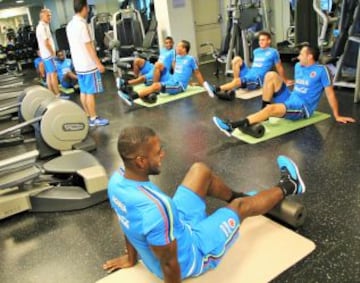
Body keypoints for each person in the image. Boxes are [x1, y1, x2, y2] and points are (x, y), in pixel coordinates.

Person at [103, 126, 305, 282]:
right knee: (241, 207)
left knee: (200, 170)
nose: (163, 154)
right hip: (192, 255)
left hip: (178, 226)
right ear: (140, 161)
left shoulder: (116, 182)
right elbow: (170, 263)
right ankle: (289, 185)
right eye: (157, 152)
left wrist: (131, 259)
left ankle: (238, 196)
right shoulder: (157, 208)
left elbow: (125, 220)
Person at [212, 45, 355, 137]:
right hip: (291, 96)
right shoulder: (299, 66)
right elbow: (296, 83)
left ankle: (232, 126)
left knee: (272, 108)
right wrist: (286, 81)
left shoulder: (321, 71)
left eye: (301, 54)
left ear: (310, 57)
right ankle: (264, 113)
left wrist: (337, 115)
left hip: (302, 108)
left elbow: (330, 94)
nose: (298, 56)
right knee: (270, 75)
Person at [118, 40, 215, 106]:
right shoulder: (176, 57)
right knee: (158, 65)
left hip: (178, 85)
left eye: (179, 47)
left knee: (156, 86)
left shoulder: (190, 59)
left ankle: (131, 97)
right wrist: (189, 83)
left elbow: (197, 73)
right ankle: (155, 89)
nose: (176, 48)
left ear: (184, 49)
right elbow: (178, 72)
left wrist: (204, 85)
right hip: (171, 78)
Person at [210, 31, 292, 107]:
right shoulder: (256, 51)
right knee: (236, 59)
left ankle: (217, 89)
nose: (261, 42)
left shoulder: (273, 52)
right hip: (249, 72)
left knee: (239, 81)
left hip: (256, 79)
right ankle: (236, 85)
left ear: (269, 41)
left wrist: (285, 80)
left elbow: (279, 67)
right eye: (260, 40)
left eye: (263, 40)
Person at [66, 0, 109, 127]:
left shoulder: (70, 25)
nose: (88, 10)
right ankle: (94, 118)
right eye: (87, 8)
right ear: (84, 8)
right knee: (89, 92)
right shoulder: (82, 25)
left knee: (84, 91)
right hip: (88, 64)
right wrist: (98, 63)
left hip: (78, 65)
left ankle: (88, 116)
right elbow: (89, 46)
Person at [36, 8, 61, 97]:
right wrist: (53, 53)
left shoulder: (44, 26)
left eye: (50, 15)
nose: (50, 17)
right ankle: (57, 95)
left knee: (50, 75)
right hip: (48, 55)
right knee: (53, 74)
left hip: (46, 55)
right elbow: (46, 43)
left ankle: (52, 95)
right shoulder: (42, 27)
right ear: (42, 16)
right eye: (48, 15)